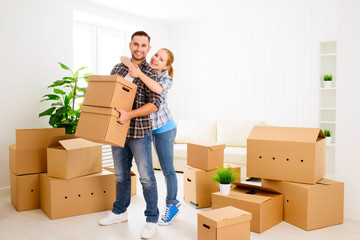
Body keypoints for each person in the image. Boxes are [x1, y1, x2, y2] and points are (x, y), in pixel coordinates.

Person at [99, 31, 161, 240]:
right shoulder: (118, 68)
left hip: (139, 132)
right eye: (136, 44)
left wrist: (130, 115)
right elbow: (108, 94)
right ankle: (119, 212)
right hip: (117, 131)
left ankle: (151, 220)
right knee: (121, 175)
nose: (139, 49)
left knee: (147, 178)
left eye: (144, 46)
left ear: (148, 49)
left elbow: (155, 104)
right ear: (130, 45)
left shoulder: (150, 72)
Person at [121, 48, 179, 226]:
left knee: (167, 169)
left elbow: (157, 89)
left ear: (165, 66)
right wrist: (135, 67)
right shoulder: (143, 68)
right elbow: (123, 58)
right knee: (146, 172)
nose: (155, 59)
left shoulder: (164, 78)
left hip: (163, 128)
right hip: (144, 129)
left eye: (161, 60)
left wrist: (138, 72)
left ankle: (172, 204)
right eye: (155, 55)